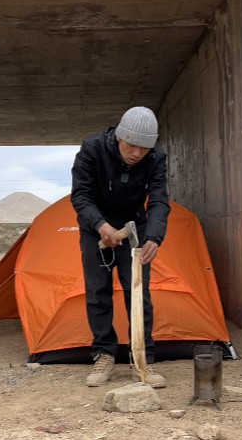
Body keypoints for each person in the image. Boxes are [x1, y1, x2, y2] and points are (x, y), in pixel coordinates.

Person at [70, 106, 171, 388]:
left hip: (135, 227)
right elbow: (81, 195)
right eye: (132, 145)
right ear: (120, 137)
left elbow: (160, 200)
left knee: (137, 293)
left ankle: (144, 359)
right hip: (96, 227)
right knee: (97, 291)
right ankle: (104, 354)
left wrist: (154, 237)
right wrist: (101, 225)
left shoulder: (156, 157)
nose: (137, 153)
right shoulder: (91, 149)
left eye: (145, 148)